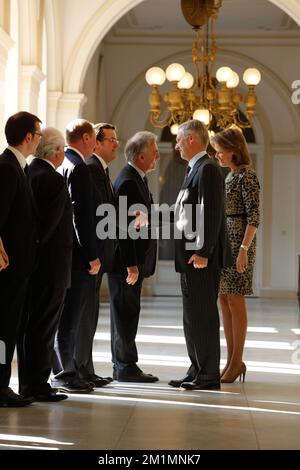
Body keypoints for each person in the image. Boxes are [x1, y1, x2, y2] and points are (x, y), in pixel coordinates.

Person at [169, 119, 232, 391]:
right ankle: (196, 367)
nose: (176, 144)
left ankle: (208, 374)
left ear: (192, 139)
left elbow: (212, 212)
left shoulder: (207, 169)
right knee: (192, 316)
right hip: (190, 258)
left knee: (203, 316)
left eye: (180, 139)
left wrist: (203, 251)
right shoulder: (195, 168)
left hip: (200, 258)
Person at [17, 127, 73, 401]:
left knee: (31, 326)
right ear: (55, 151)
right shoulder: (53, 179)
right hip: (51, 267)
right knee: (44, 327)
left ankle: (29, 382)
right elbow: (48, 228)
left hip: (32, 266)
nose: (63, 153)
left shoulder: (28, 172)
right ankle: (37, 385)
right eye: (62, 149)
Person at [52, 119, 100, 393]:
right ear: (84, 138)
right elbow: (81, 216)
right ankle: (65, 374)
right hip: (79, 257)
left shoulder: (67, 163)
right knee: (70, 317)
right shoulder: (79, 168)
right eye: (93, 138)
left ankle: (67, 369)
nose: (94, 143)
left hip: (70, 254)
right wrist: (92, 255)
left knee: (68, 316)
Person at [107, 131, 159, 382]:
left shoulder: (137, 178)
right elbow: (123, 228)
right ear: (141, 156)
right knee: (125, 314)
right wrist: (131, 265)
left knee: (128, 312)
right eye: (154, 151)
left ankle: (125, 364)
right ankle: (125, 367)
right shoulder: (128, 181)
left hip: (133, 262)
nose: (158, 155)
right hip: (127, 263)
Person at [210, 126, 260, 383]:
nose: (217, 154)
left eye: (220, 150)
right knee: (224, 299)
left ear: (233, 150)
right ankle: (231, 362)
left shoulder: (246, 176)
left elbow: (254, 217)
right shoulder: (229, 176)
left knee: (236, 300)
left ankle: (237, 361)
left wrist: (243, 249)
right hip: (225, 244)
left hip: (239, 245)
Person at [0, 111, 41, 407]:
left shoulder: (18, 166)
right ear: (28, 137)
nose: (39, 140)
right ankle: (0, 387)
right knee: (3, 328)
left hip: (18, 265)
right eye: (38, 135)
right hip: (8, 268)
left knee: (9, 327)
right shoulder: (7, 168)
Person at [74, 123, 119, 387]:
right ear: (97, 143)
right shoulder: (90, 168)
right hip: (91, 255)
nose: (116, 144)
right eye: (111, 139)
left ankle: (86, 368)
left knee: (90, 314)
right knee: (84, 314)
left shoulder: (101, 169)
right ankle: (79, 368)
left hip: (100, 254)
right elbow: (89, 215)